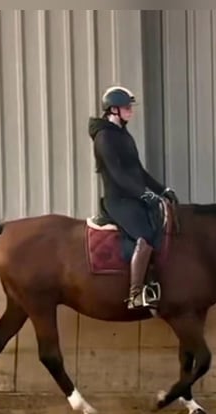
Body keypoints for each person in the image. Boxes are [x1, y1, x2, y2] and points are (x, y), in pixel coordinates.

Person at [88, 85, 178, 310]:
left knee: (161, 227)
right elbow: (117, 175)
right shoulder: (104, 137)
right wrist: (144, 193)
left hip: (134, 197)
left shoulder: (123, 135)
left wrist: (162, 189)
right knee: (145, 235)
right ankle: (136, 294)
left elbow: (139, 171)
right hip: (118, 200)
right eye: (127, 107)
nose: (131, 111)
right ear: (114, 110)